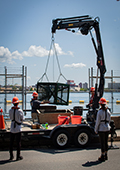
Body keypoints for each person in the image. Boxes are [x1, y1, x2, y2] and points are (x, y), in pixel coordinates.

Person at [95, 97, 111, 162]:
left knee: (102, 143)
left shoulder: (100, 112)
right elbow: (109, 120)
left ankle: (102, 155)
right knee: (106, 142)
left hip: (101, 129)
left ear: (100, 104)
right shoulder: (108, 111)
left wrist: (96, 130)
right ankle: (106, 154)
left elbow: (97, 122)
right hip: (107, 128)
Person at [9, 96, 24, 161]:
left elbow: (10, 118)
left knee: (11, 143)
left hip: (12, 127)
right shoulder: (20, 111)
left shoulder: (10, 110)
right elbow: (22, 119)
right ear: (17, 103)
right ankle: (18, 156)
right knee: (18, 143)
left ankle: (11, 156)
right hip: (18, 128)